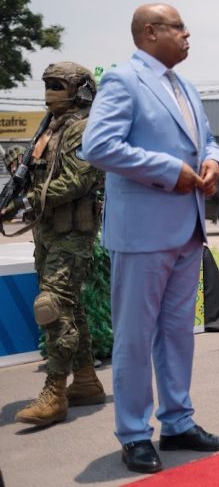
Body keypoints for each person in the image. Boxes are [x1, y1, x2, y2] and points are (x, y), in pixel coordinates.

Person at [82, 3, 219, 474]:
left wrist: (213, 163)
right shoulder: (123, 81)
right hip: (143, 232)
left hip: (186, 229)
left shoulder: (183, 84)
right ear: (150, 32)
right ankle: (132, 432)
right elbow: (99, 145)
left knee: (177, 335)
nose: (189, 35)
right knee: (135, 337)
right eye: (179, 27)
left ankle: (178, 420)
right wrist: (171, 172)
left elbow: (205, 140)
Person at [4, 63, 104, 428]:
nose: (50, 91)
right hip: (48, 232)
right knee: (71, 307)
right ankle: (87, 381)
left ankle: (55, 392)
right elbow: (37, 173)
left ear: (79, 89)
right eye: (47, 84)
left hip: (73, 233)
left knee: (51, 306)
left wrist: (27, 201)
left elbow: (78, 180)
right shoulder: (50, 127)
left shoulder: (82, 127)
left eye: (58, 84)